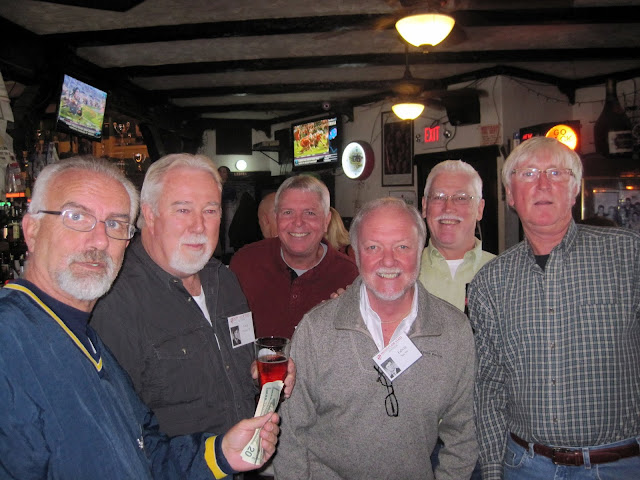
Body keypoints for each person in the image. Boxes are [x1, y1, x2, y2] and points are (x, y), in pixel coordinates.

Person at [0, 157, 279, 478]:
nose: (100, 239)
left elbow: (142, 451)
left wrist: (219, 454)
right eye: (76, 217)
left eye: (115, 223)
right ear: (31, 229)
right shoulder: (11, 340)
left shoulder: (82, 338)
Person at [468, 136, 640, 480]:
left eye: (556, 173)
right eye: (528, 174)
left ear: (575, 190)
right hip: (524, 466)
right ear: (510, 195)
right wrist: (492, 470)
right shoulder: (491, 281)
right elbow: (488, 387)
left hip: (619, 466)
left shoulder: (628, 255)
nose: (543, 184)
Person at [92, 153, 294, 439]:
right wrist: (214, 457)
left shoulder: (223, 280)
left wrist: (262, 375)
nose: (199, 226)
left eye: (210, 211)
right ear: (149, 214)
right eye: (183, 210)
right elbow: (116, 431)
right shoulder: (115, 300)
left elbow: (236, 365)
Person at [274, 197, 477, 480]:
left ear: (420, 250)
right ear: (356, 253)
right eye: (373, 247)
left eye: (402, 246)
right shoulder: (317, 329)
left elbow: (464, 434)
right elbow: (290, 431)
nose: (388, 261)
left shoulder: (454, 331)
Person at [230, 175, 358, 338]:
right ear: (277, 218)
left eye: (310, 213)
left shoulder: (349, 276)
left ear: (326, 221)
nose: (298, 222)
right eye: (288, 212)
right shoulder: (245, 263)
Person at [420, 159, 495, 312]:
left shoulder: (503, 273)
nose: (448, 208)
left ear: (479, 209)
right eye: (438, 197)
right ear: (425, 206)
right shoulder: (405, 272)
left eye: (461, 198)